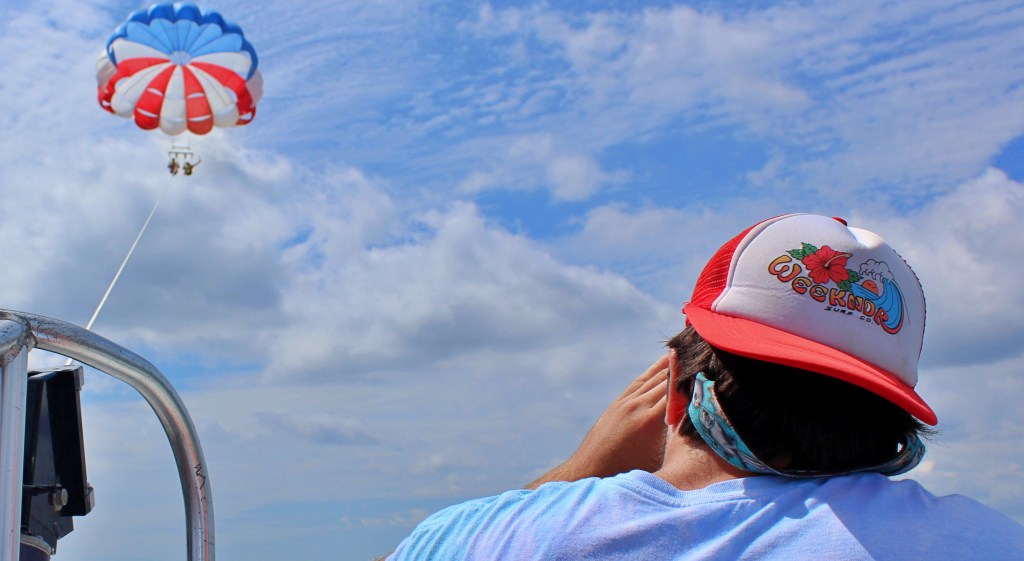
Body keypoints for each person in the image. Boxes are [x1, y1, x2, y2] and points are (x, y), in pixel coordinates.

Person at [384, 213, 1024, 560]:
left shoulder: (501, 536)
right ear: (891, 417)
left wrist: (576, 472)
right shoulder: (986, 542)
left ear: (676, 392)